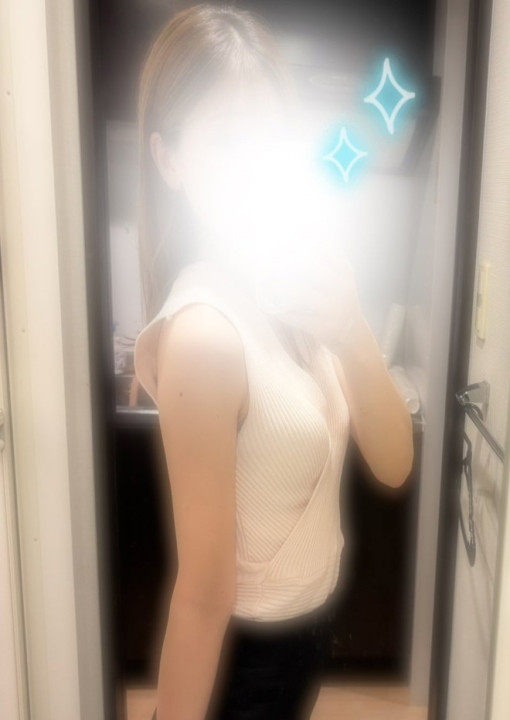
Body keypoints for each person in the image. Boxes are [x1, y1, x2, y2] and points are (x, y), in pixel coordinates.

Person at [133, 4, 414, 719]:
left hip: (303, 648)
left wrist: (350, 325)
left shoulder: (307, 285)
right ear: (169, 159)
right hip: (242, 670)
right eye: (228, 140)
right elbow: (203, 596)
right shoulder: (206, 334)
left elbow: (394, 463)